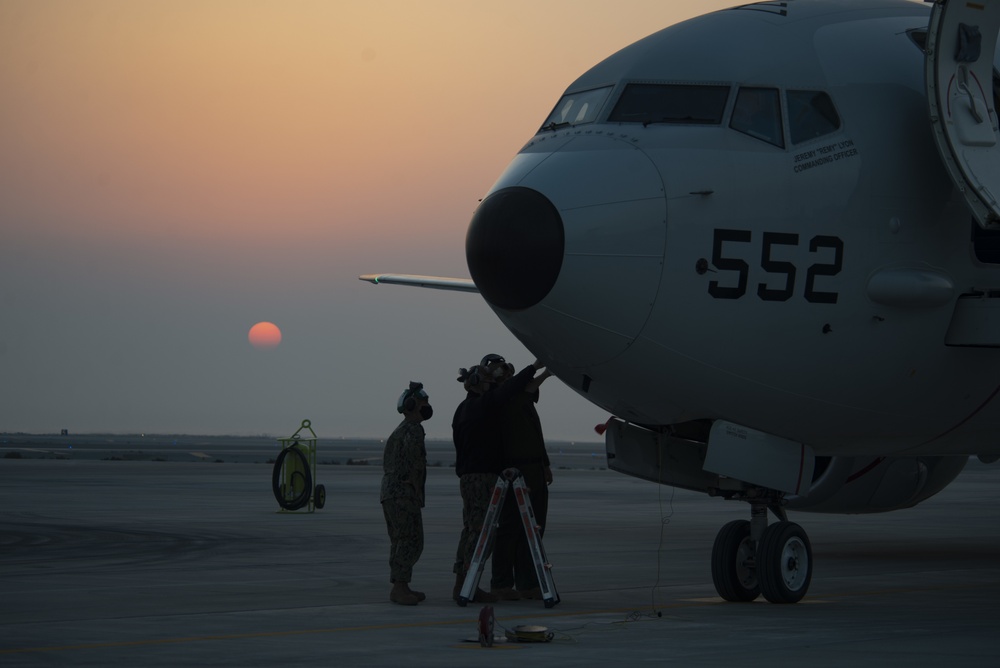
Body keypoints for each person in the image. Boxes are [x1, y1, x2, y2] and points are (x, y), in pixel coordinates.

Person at [451, 358, 546, 604]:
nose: (492, 386)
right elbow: (509, 390)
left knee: (471, 530)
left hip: (469, 475)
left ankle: (463, 583)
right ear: (476, 383)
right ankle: (467, 585)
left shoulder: (464, 409)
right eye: (488, 381)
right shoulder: (482, 405)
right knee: (481, 533)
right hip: (482, 476)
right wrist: (535, 367)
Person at [483, 354, 553, 601]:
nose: (505, 374)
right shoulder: (496, 399)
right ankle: (501, 583)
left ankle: (527, 583)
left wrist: (544, 463)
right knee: (510, 528)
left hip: (533, 469)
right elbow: (520, 385)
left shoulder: (518, 396)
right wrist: (536, 366)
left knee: (534, 528)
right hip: (513, 472)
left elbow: (534, 425)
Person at [380, 381, 433, 606]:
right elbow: (415, 463)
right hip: (402, 493)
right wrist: (414, 488)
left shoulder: (401, 430)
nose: (426, 407)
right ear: (412, 405)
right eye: (422, 403)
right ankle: (399, 588)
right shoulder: (413, 429)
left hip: (391, 492)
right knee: (411, 540)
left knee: (401, 540)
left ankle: (401, 585)